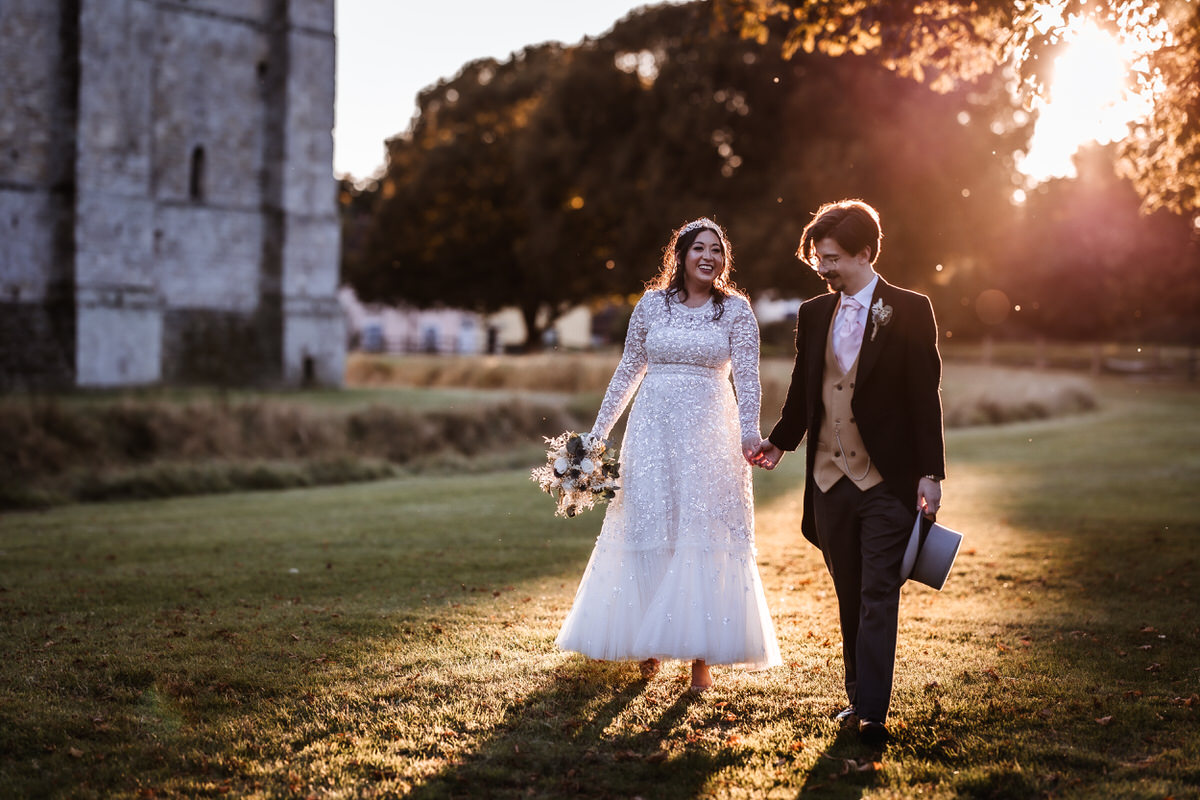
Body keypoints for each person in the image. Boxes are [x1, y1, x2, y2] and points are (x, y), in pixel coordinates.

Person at [556, 217, 782, 691]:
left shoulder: (736, 311)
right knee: (650, 523)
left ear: (724, 260)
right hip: (652, 431)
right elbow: (627, 371)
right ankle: (647, 645)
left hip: (710, 433)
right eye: (699, 248)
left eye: (717, 250)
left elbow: (747, 377)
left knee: (701, 529)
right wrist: (596, 437)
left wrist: (749, 434)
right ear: (679, 256)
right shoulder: (652, 306)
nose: (708, 257)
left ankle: (701, 659)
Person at [751, 199, 945, 745]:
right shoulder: (813, 314)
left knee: (879, 591)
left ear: (864, 253)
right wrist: (779, 443)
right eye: (818, 258)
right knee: (849, 590)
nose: (823, 267)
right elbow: (804, 392)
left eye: (832, 257)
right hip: (828, 480)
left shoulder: (910, 309)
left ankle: (873, 714)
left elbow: (923, 396)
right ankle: (857, 694)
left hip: (887, 480)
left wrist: (931, 472)